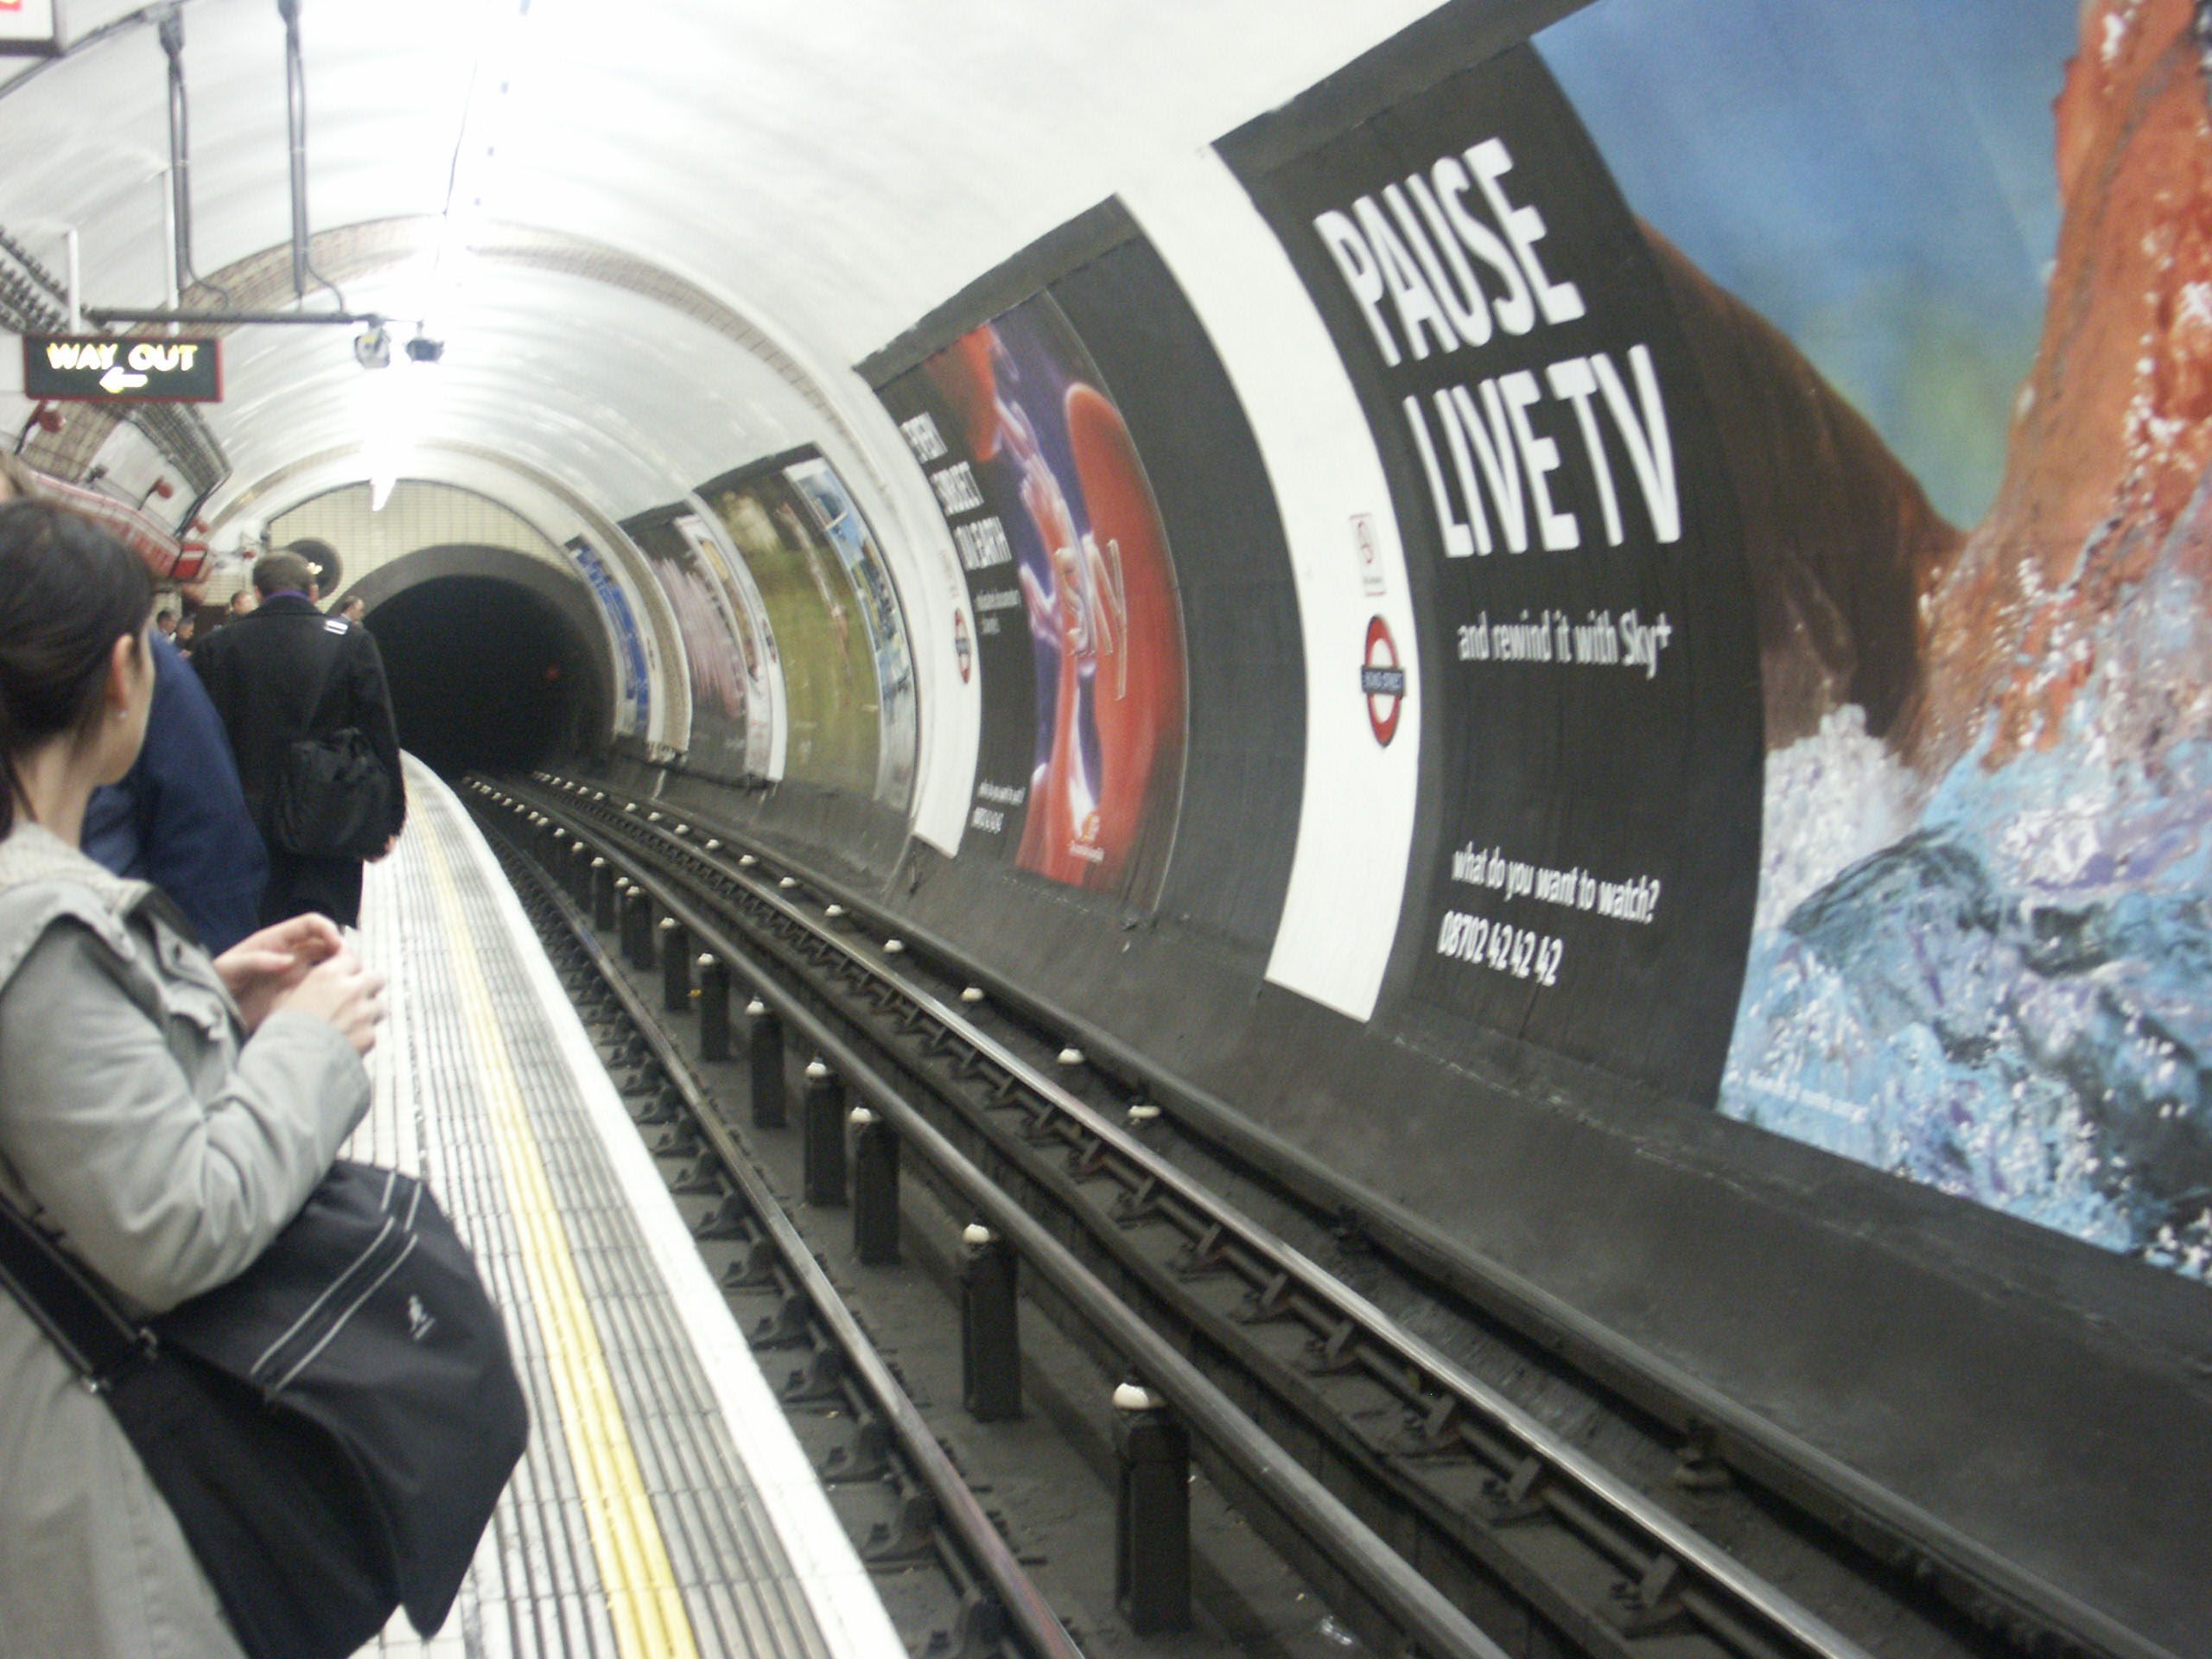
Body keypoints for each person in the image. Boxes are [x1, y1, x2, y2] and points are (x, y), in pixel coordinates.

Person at [0, 499, 386, 1659]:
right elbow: (175, 1226)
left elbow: (43, 1095)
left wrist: (201, 999)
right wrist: (309, 1042)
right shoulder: (43, 919)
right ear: (126, 676)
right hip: (79, 1474)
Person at [191, 549, 405, 928]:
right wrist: (389, 819)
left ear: (258, 593)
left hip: (243, 824)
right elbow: (380, 732)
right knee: (316, 933)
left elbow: (196, 743)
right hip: (328, 821)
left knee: (252, 933)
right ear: (313, 592)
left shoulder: (217, 647)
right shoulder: (351, 642)